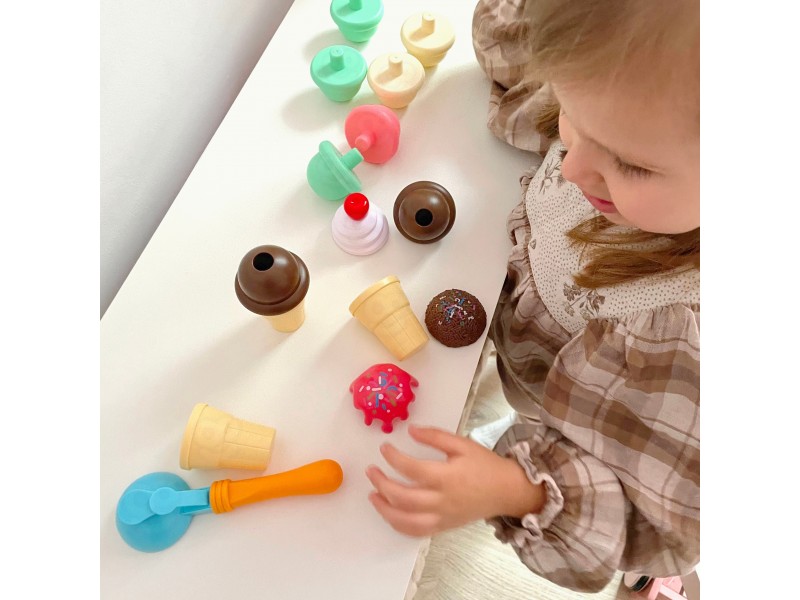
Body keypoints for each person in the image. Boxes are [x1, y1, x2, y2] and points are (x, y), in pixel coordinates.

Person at [365, 0, 700, 593]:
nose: (571, 168)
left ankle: (650, 578)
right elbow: (518, 47)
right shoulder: (620, 104)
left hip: (632, 447)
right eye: (572, 117)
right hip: (537, 367)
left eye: (630, 165)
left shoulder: (687, 342)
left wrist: (517, 491)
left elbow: (648, 510)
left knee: (646, 532)